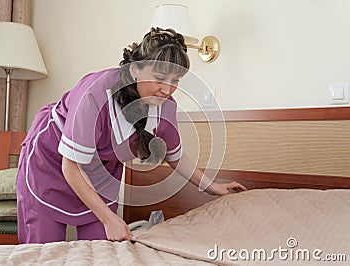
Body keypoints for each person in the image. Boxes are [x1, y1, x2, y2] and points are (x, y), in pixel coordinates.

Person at [16, 27, 247, 244]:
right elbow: (71, 167)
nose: (167, 89)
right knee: (43, 250)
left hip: (100, 173)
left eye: (175, 81)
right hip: (51, 164)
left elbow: (174, 155)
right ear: (135, 69)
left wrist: (211, 186)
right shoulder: (95, 95)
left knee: (100, 251)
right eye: (159, 78)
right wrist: (109, 218)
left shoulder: (165, 107)